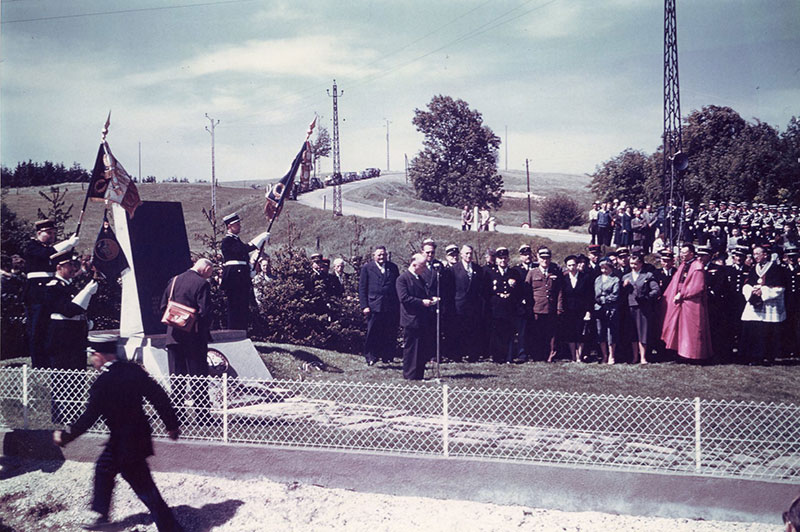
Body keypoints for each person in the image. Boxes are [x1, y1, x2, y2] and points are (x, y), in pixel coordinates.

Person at [53, 334, 182, 532]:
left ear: (99, 355)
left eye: (92, 356)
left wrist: (65, 436)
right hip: (136, 437)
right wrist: (171, 424)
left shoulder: (102, 383)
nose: (91, 360)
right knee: (104, 468)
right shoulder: (133, 371)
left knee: (144, 487)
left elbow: (89, 418)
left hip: (124, 445)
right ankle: (101, 515)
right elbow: (159, 397)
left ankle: (170, 528)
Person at [160, 258, 214, 423]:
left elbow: (163, 307)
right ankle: (202, 415)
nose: (209, 277)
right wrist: (202, 329)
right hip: (194, 338)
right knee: (198, 378)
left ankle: (178, 414)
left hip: (173, 337)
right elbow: (205, 312)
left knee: (177, 378)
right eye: (210, 273)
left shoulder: (174, 280)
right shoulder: (202, 284)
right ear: (205, 268)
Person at [24, 219, 80, 368]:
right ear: (38, 233)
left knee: (52, 328)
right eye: (48, 233)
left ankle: (52, 360)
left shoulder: (51, 249)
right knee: (37, 329)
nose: (52, 236)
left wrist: (70, 248)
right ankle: (38, 363)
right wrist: (68, 243)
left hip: (53, 291)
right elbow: (46, 254)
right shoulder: (32, 247)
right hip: (37, 293)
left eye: (54, 233)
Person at [660, 243, 714, 362]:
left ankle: (693, 355)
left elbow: (697, 287)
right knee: (679, 329)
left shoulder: (697, 266)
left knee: (692, 330)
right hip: (680, 302)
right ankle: (681, 353)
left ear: (691, 253)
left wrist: (682, 294)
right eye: (681, 252)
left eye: (684, 253)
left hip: (692, 303)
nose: (682, 255)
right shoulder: (684, 265)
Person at [220, 212, 268, 331]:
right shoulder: (227, 241)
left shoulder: (236, 240)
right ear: (229, 226)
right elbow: (242, 250)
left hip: (240, 275)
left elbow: (243, 257)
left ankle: (241, 331)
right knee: (234, 306)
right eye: (237, 224)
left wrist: (248, 270)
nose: (240, 226)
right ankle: (233, 331)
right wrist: (258, 240)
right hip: (233, 276)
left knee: (242, 306)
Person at [740, 244, 787, 365]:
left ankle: (768, 356)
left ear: (765, 254)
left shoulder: (776, 268)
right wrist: (752, 291)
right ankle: (754, 356)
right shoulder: (753, 268)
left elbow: (780, 286)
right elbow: (747, 283)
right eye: (754, 254)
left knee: (768, 331)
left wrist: (763, 292)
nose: (755, 256)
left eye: (757, 254)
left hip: (770, 304)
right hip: (755, 302)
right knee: (754, 329)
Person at [396, 253, 438, 380]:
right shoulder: (403, 279)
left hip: (422, 318)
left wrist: (431, 299)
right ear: (414, 265)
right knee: (411, 348)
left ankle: (419, 374)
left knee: (421, 348)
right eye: (422, 266)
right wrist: (422, 302)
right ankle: (409, 374)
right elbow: (404, 298)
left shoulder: (420, 278)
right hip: (411, 318)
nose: (425, 268)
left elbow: (422, 294)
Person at [358, 246, 400, 365]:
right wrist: (364, 306)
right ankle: (371, 356)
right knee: (373, 332)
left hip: (390, 305)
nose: (382, 257)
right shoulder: (367, 268)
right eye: (379, 255)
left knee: (389, 332)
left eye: (384, 255)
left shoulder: (393, 267)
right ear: (374, 256)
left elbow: (396, 286)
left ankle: (387, 356)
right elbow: (362, 288)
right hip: (373, 305)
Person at [524, 247, 564, 362]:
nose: (545, 261)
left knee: (551, 334)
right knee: (537, 333)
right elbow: (527, 292)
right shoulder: (532, 273)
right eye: (542, 258)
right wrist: (529, 308)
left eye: (547, 258)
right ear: (538, 258)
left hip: (551, 308)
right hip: (537, 308)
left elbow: (559, 292)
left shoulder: (555, 272)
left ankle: (551, 355)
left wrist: (559, 307)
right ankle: (537, 355)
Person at [484, 247, 522, 364]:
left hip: (509, 307)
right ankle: (497, 357)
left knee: (509, 333)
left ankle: (508, 357)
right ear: (496, 260)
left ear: (508, 259)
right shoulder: (490, 273)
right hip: (496, 307)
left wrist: (513, 289)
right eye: (500, 258)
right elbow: (486, 291)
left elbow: (520, 291)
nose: (503, 261)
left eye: (505, 258)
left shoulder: (514, 273)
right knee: (496, 333)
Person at [621, 251, 660, 364]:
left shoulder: (647, 275)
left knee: (642, 332)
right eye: (631, 263)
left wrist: (646, 297)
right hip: (629, 307)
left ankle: (643, 357)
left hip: (642, 308)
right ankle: (635, 356)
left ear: (641, 264)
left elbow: (656, 290)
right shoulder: (625, 277)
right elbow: (622, 294)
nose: (633, 266)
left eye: (636, 263)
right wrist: (624, 287)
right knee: (633, 333)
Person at [451, 245, 484, 362]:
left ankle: (472, 355)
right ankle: (457, 356)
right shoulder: (454, 269)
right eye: (466, 253)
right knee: (458, 331)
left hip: (474, 306)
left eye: (470, 253)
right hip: (459, 305)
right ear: (461, 254)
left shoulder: (478, 269)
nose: (469, 256)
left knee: (473, 331)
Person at [560, 255, 593, 362]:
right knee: (570, 333)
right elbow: (562, 296)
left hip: (581, 310)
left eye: (573, 265)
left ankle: (579, 356)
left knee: (581, 334)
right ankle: (573, 356)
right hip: (568, 311)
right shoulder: (563, 279)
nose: (571, 267)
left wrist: (588, 311)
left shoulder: (585, 278)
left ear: (577, 265)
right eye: (569, 265)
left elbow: (589, 296)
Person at [594, 258, 620, 364]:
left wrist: (604, 298)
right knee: (601, 332)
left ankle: (611, 355)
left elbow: (615, 295)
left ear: (611, 268)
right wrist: (600, 299)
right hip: (599, 309)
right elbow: (596, 294)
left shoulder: (615, 280)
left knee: (611, 333)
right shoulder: (598, 279)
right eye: (602, 268)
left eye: (606, 268)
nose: (604, 271)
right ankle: (604, 355)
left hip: (611, 309)